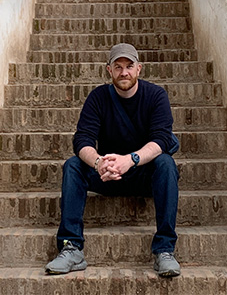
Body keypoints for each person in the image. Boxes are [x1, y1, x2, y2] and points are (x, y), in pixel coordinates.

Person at [43, 43, 181, 277]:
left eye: (129, 66)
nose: (124, 72)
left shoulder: (156, 96)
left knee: (166, 163)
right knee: (73, 166)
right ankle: (71, 247)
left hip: (142, 174)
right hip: (107, 174)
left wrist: (131, 159)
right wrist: (99, 163)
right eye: (118, 67)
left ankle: (164, 250)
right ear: (109, 70)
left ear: (139, 69)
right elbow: (82, 140)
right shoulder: (98, 98)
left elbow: (161, 140)